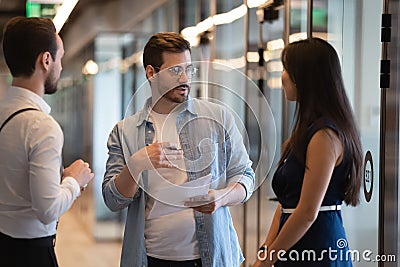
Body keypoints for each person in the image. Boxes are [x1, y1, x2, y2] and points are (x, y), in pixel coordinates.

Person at [103, 32, 255, 267]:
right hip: (150, 259)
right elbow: (113, 200)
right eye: (175, 71)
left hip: (210, 257)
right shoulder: (124, 131)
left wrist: (221, 197)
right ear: (151, 73)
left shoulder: (218, 117)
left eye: (189, 69)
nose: (185, 78)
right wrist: (137, 163)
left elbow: (245, 175)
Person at [252, 38, 363, 267]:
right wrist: (266, 252)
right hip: (294, 243)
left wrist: (266, 261)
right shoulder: (307, 131)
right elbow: (286, 204)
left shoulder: (325, 135)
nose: (281, 77)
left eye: (286, 69)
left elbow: (306, 213)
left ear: (304, 77)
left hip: (316, 247)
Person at [0, 17, 94, 267]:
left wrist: (56, 179)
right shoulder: (42, 126)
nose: (61, 67)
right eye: (60, 58)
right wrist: (75, 180)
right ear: (46, 60)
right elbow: (48, 210)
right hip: (31, 254)